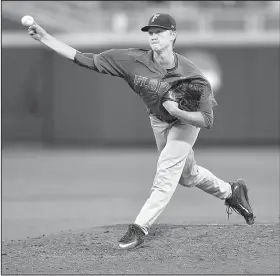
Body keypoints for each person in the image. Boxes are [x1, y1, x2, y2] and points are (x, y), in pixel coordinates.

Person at [27, 13, 255, 250]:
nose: (153, 36)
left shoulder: (193, 75)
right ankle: (231, 191)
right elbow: (84, 59)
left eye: (159, 31)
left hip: (184, 124)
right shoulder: (132, 59)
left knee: (166, 170)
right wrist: (45, 38)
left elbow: (206, 120)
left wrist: (179, 113)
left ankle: (139, 227)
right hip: (158, 120)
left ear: (173, 35)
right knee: (187, 176)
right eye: (150, 32)